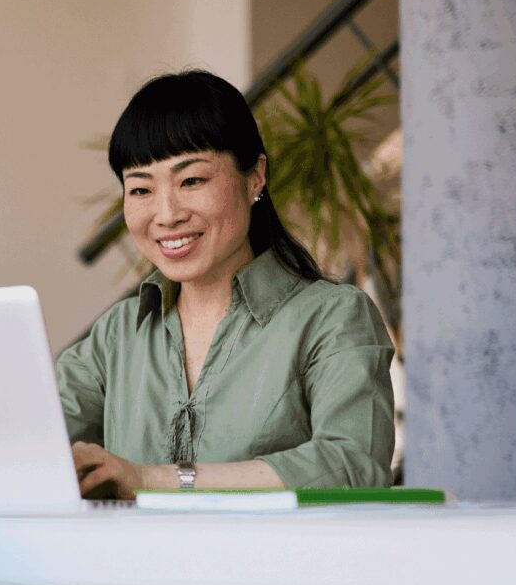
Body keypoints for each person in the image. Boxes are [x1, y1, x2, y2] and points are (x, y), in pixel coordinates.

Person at [57, 70, 394, 500]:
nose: (166, 214)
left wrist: (153, 479)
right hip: (133, 568)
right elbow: (29, 437)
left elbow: (352, 465)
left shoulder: (334, 316)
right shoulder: (118, 334)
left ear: (255, 176)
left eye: (191, 181)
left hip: (273, 566)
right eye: (140, 189)